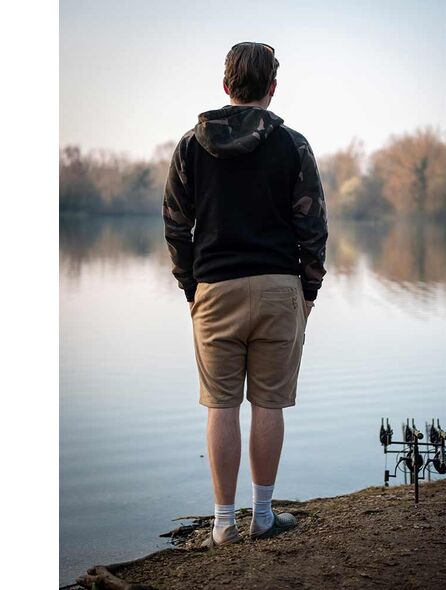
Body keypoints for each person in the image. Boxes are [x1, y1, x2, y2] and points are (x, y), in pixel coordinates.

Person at [162, 41, 328, 548]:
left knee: (221, 405)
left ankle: (222, 524)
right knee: (269, 404)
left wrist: (190, 287)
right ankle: (263, 515)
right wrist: (309, 290)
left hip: (215, 289)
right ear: (272, 88)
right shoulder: (293, 145)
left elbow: (175, 226)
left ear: (226, 86)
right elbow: (313, 226)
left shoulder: (191, 146)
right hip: (279, 288)